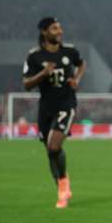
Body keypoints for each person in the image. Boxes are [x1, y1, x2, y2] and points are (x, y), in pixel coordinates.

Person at [22, 17, 85, 209]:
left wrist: (77, 79)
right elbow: (26, 84)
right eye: (55, 28)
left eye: (60, 27)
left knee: (54, 145)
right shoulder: (34, 56)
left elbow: (81, 64)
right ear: (44, 32)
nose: (60, 31)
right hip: (46, 108)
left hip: (66, 103)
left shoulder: (69, 51)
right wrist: (43, 74)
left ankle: (63, 180)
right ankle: (61, 191)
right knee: (50, 152)